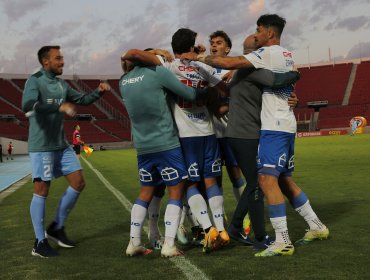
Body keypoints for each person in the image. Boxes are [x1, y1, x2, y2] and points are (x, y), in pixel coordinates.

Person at [182, 14, 329, 257]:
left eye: (259, 30)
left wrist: (198, 57)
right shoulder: (285, 56)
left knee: (265, 181)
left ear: (269, 34)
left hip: (271, 128)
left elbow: (249, 70)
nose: (257, 34)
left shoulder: (260, 58)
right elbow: (274, 79)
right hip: (273, 127)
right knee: (275, 181)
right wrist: (295, 76)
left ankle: (276, 238)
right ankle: (310, 226)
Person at [122, 28, 231, 254]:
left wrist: (161, 53)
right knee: (201, 183)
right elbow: (220, 88)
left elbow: (134, 54)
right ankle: (217, 230)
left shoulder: (151, 72)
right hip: (199, 134)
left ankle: (139, 240)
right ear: (192, 46)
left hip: (163, 141)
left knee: (169, 188)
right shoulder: (198, 67)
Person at [22, 45, 110, 258]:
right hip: (42, 145)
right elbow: (28, 105)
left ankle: (56, 228)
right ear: (46, 62)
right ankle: (39, 242)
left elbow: (83, 100)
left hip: (61, 145)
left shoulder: (61, 85)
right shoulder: (35, 81)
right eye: (58, 58)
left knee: (78, 182)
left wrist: (98, 91)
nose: (62, 61)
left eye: (62, 58)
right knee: (42, 189)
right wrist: (57, 108)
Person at [208, 30, 251, 235]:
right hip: (211, 134)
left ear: (227, 48)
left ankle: (245, 215)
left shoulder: (237, 68)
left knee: (236, 175)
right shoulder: (205, 70)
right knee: (215, 180)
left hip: (231, 131)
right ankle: (220, 218)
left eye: (218, 43)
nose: (214, 46)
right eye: (212, 43)